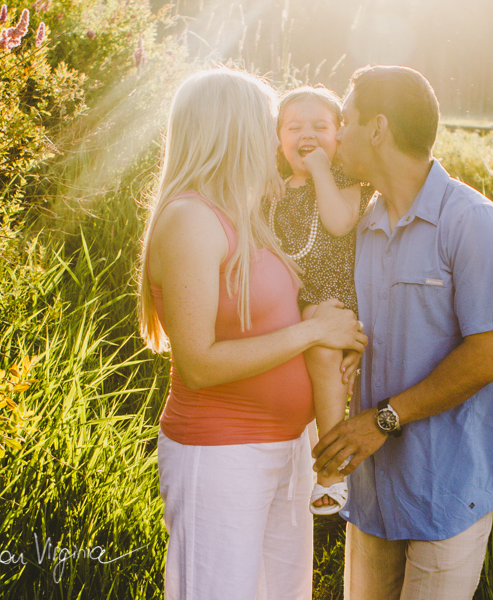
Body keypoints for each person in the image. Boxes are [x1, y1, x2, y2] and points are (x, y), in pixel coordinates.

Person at [138, 67, 367, 600]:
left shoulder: (249, 211)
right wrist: (312, 333)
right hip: (223, 453)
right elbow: (197, 362)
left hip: (286, 449)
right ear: (231, 128)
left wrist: (340, 348)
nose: (275, 137)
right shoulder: (192, 217)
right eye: (268, 123)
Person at [312, 66, 493, 599]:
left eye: (345, 119)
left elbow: (491, 354)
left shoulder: (476, 225)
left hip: (446, 492)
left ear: (378, 128)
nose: (336, 133)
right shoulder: (363, 227)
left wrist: (382, 420)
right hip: (373, 492)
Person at [266, 86, 375, 515]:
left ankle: (332, 467)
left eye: (320, 126)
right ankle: (295, 459)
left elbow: (337, 221)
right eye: (294, 127)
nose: (306, 133)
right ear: (279, 139)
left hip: (332, 299)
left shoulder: (346, 184)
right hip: (289, 303)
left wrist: (320, 171)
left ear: (339, 135)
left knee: (327, 354)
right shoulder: (273, 189)